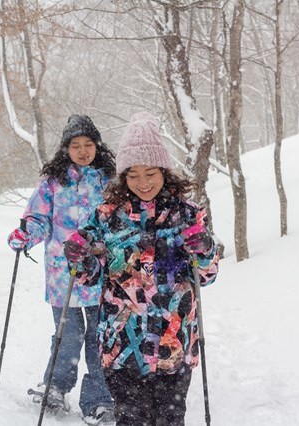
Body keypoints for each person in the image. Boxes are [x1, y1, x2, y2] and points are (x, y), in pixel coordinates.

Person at [63, 112, 219, 426]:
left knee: (169, 420)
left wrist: (205, 250)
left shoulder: (187, 215)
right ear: (123, 175)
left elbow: (207, 275)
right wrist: (78, 256)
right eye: (132, 175)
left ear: (164, 170)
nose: (142, 183)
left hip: (172, 347)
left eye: (150, 173)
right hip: (122, 347)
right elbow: (89, 275)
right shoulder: (107, 216)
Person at [7, 114, 115, 425]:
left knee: (100, 338)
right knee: (68, 336)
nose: (83, 151)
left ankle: (99, 399)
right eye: (76, 145)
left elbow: (118, 222)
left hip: (99, 273)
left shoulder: (109, 180)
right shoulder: (53, 182)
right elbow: (38, 219)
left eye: (88, 144)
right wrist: (26, 235)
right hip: (61, 274)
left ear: (97, 146)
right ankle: (56, 386)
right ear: (66, 148)